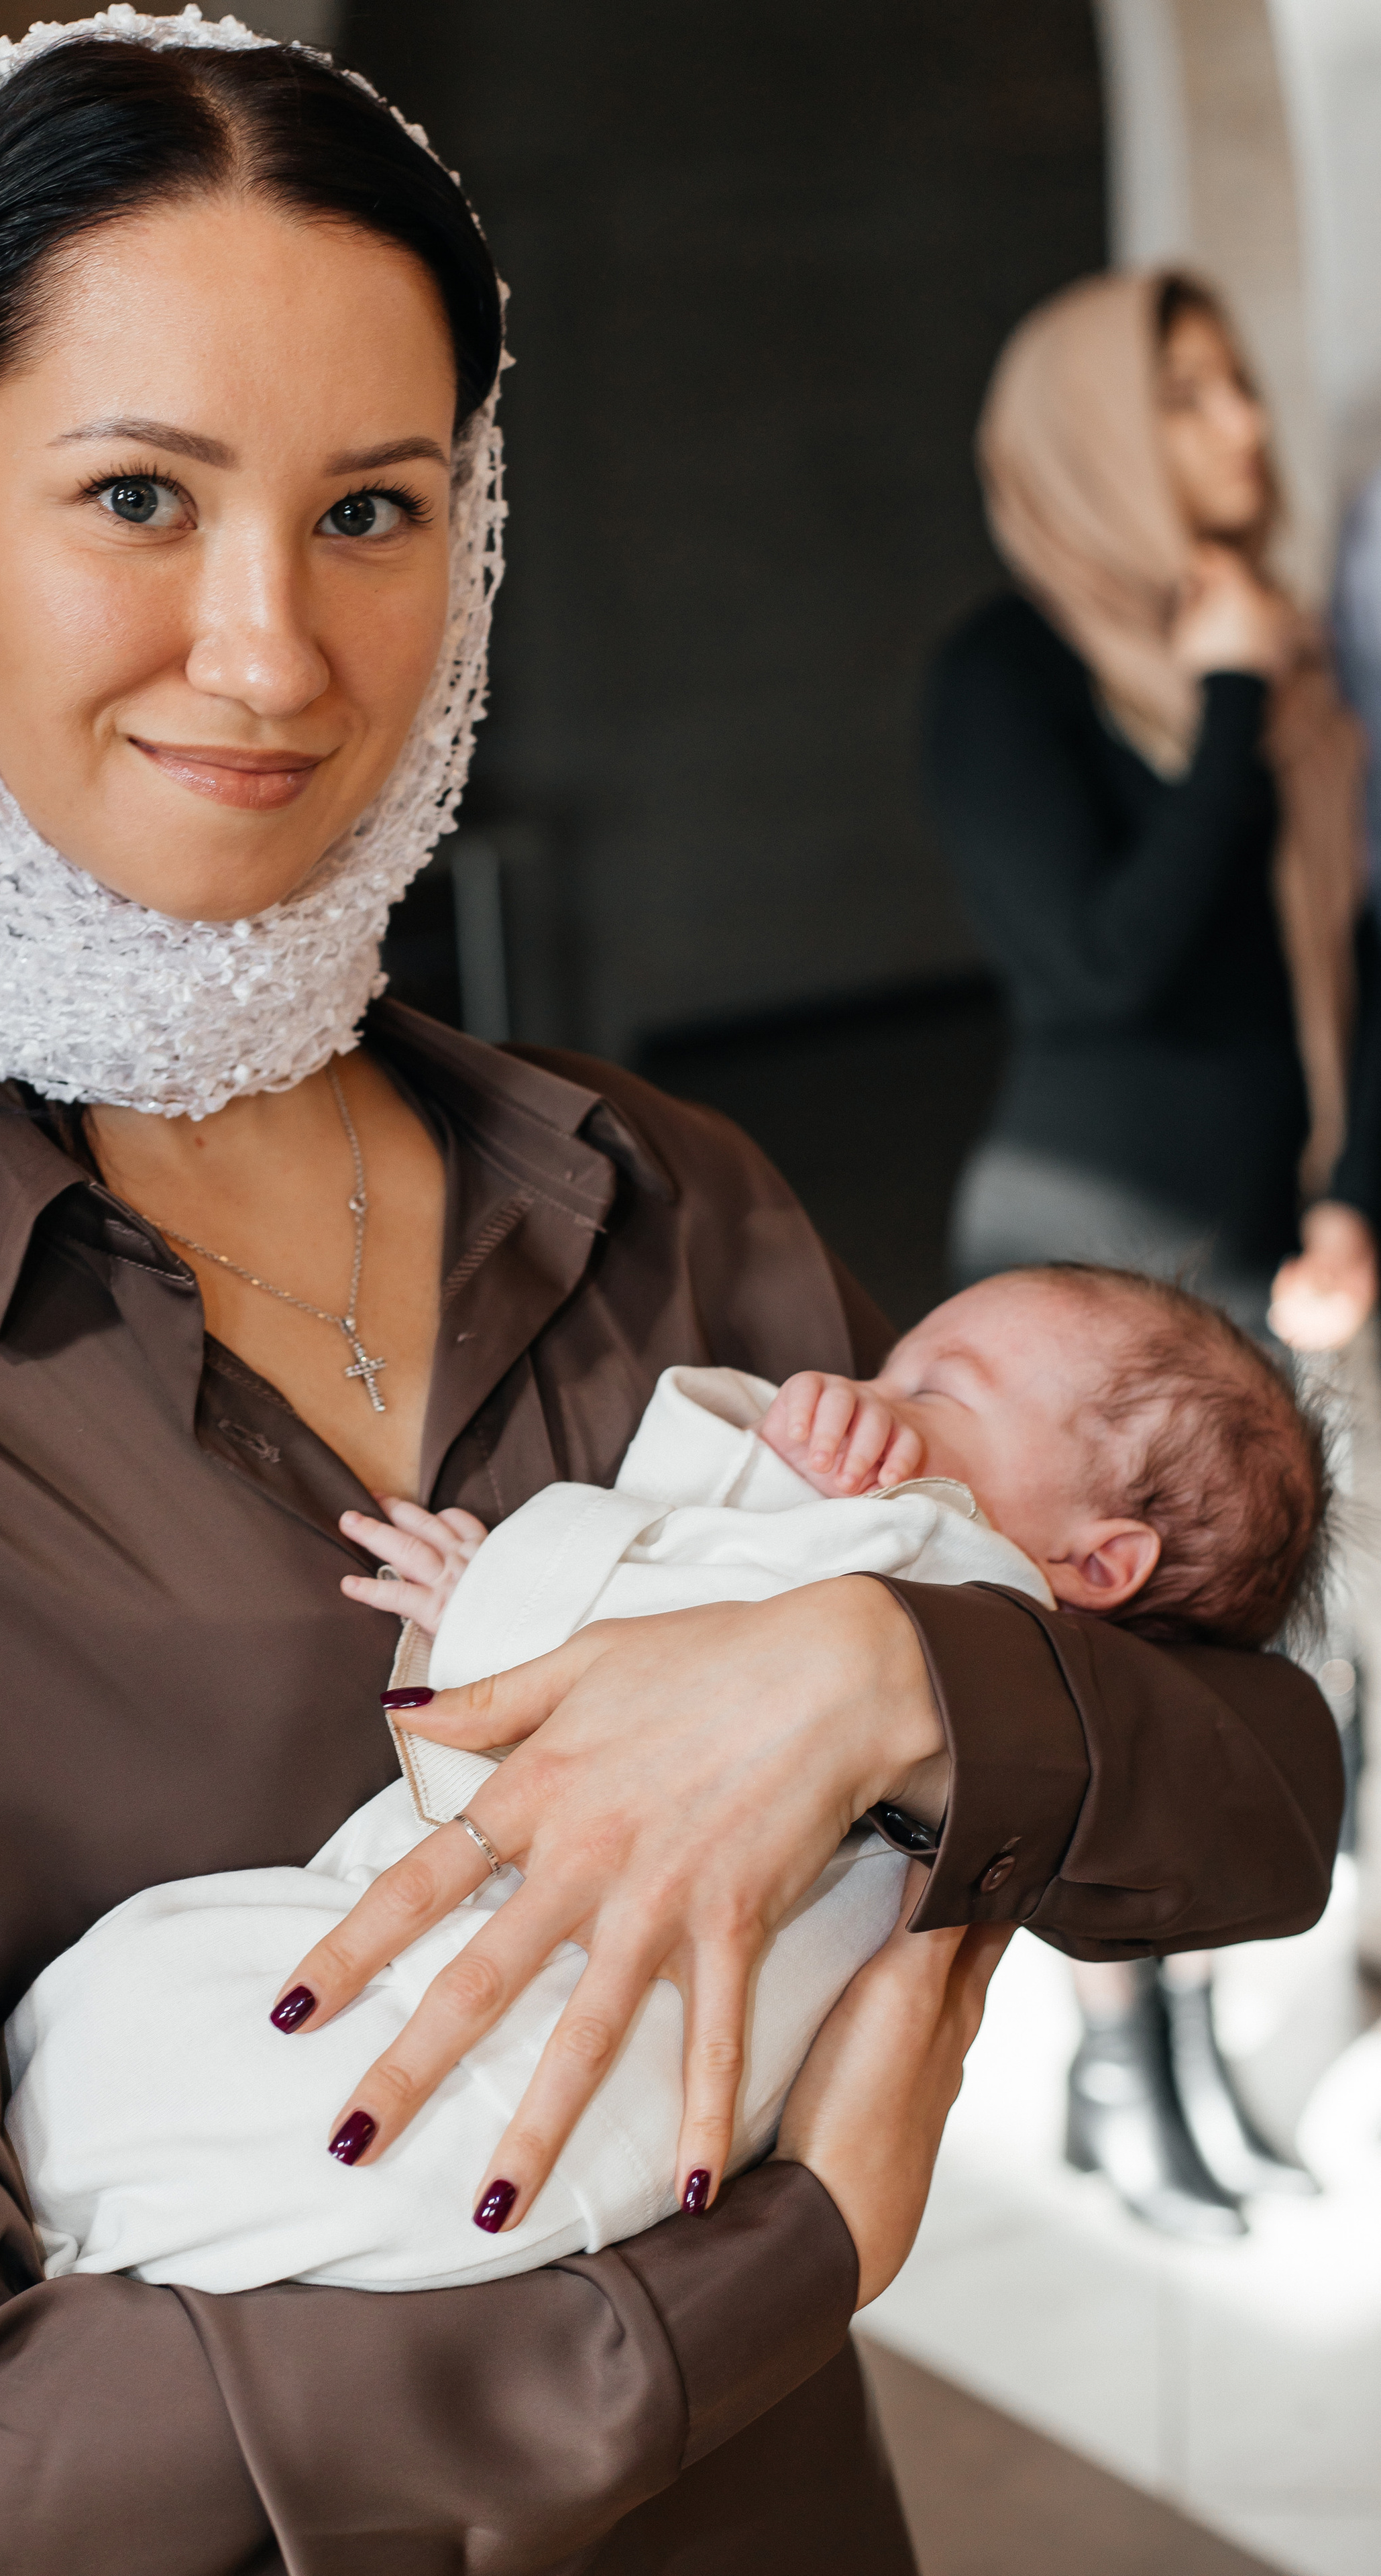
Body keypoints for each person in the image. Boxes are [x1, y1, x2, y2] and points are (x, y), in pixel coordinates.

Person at [0, 23, 1341, 2573]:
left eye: (372, 509)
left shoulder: (652, 1192)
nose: (270, 649)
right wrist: (785, 2261)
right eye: (139, 492)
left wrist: (876, 1682)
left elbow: (1258, 1798)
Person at [8, 1263, 1326, 2299]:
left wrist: (495, 1590)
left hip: (557, 2034)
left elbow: (674, 1637)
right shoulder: (941, 1610)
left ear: (1095, 1569)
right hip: (608, 2129)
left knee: (143, 2032)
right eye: (882, 1369)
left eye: (935, 1394)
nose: (849, 1392)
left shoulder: (945, 1561)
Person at [924, 268, 1366, 2238]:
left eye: (1237, 392)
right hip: (1090, 1259)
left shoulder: (1284, 672)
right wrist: (1214, 708)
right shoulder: (1005, 672)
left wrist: (1354, 1192)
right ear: (1096, 431)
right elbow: (1101, 964)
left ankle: (1178, 2067)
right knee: (1101, 1700)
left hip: (1265, 1247)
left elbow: (1342, 966)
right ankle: (1122, 2075)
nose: (1243, 436)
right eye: (1189, 400)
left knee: (1241, 1682)